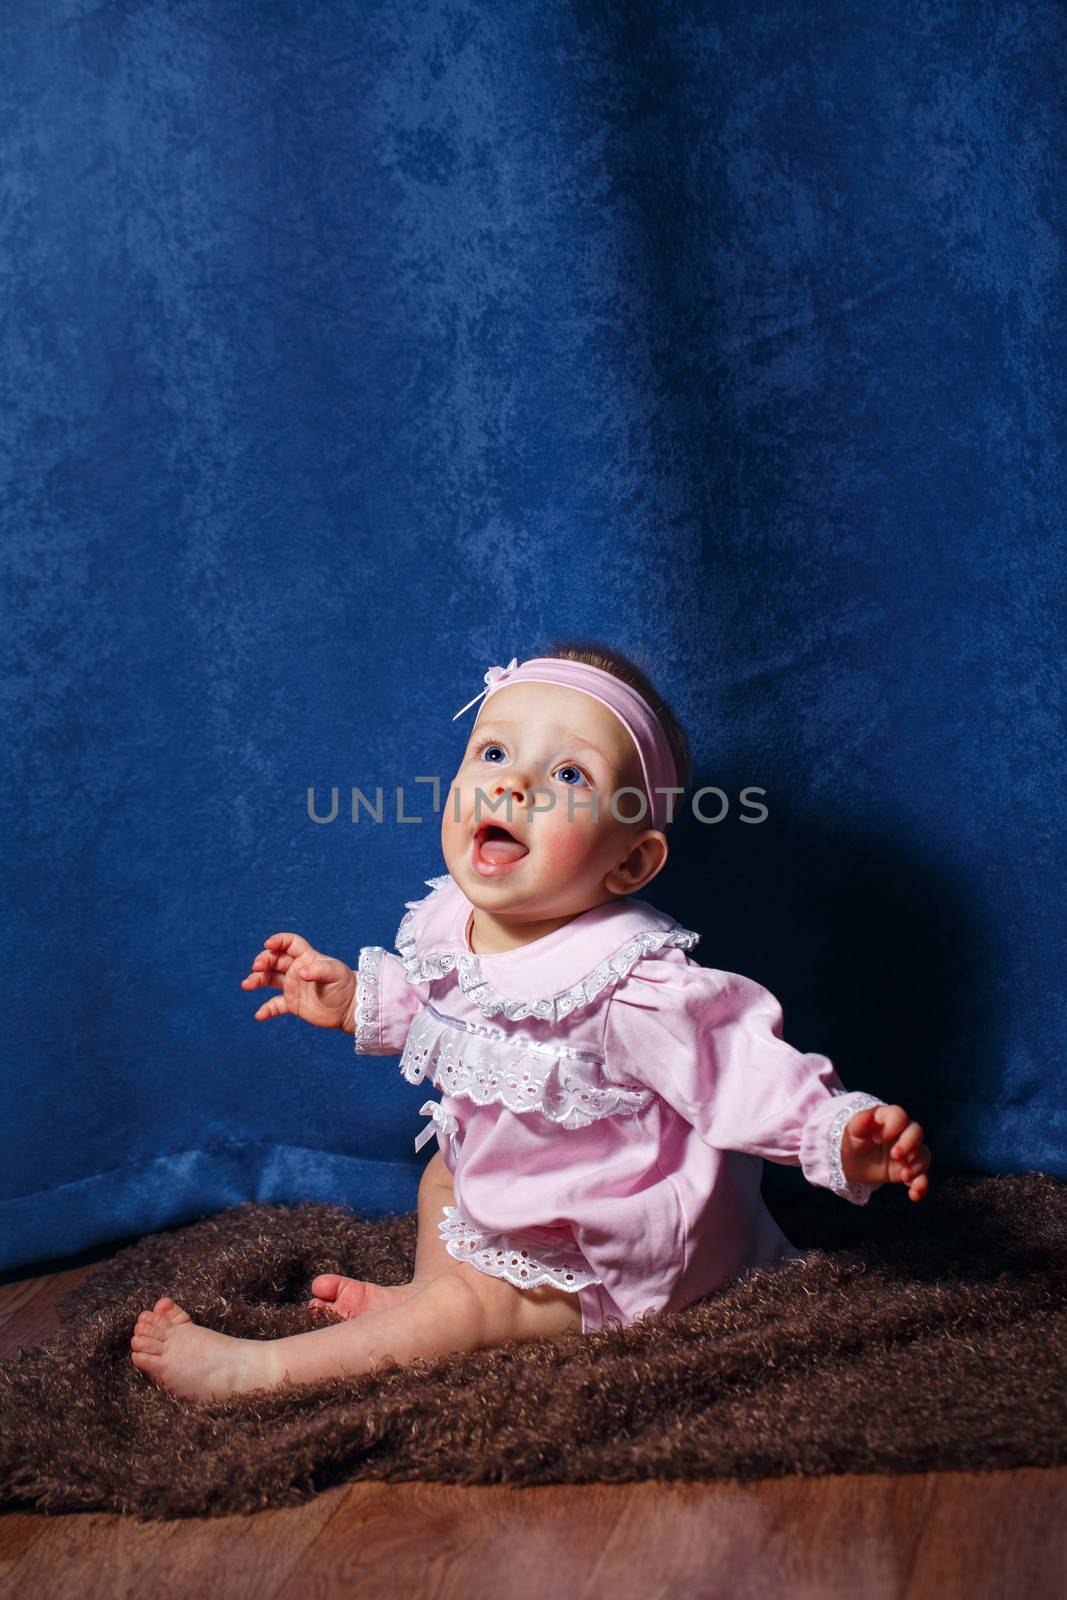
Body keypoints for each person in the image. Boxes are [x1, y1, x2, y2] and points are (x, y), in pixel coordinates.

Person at [130, 643, 932, 1403]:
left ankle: (265, 1373)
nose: (512, 787)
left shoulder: (634, 983)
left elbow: (740, 1069)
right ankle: (422, 1301)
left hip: (605, 1243)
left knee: (477, 1306)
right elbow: (457, 1022)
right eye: (492, 754)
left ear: (629, 862)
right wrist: (350, 1002)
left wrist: (837, 1133)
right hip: (516, 1184)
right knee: (442, 1174)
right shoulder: (453, 921)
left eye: (569, 774)